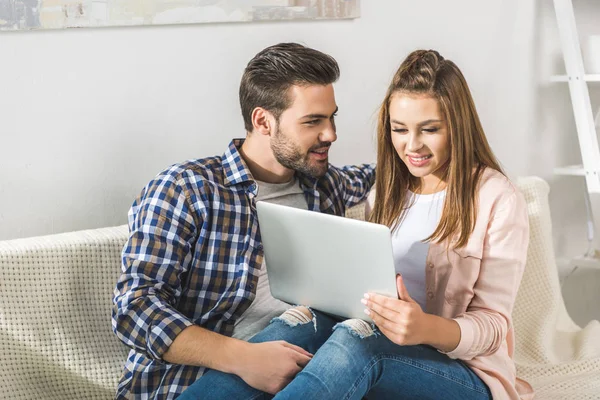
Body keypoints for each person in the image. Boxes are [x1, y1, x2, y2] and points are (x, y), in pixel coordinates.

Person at [182, 49, 535, 400]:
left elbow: (493, 325)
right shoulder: (385, 190)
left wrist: (427, 328)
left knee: (357, 341)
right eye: (399, 129)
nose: (412, 146)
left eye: (430, 129)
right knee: (302, 322)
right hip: (383, 347)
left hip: (463, 374)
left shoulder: (496, 198)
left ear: (457, 126)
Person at [111, 42, 375, 400]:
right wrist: (243, 358)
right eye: (313, 121)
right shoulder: (186, 189)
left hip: (300, 376)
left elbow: (387, 171)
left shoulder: (325, 185)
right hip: (193, 382)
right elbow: (134, 309)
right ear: (263, 121)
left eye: (332, 117)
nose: (330, 134)